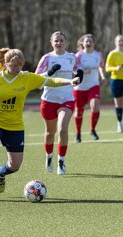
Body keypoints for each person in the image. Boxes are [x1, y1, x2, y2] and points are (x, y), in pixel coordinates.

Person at [0, 48, 81, 202]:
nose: (18, 68)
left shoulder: (26, 78)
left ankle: (1, 172)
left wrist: (70, 81)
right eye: (14, 65)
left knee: (15, 165)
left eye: (20, 65)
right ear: (6, 64)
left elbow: (51, 81)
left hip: (15, 126)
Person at [35, 31, 83, 175]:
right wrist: (50, 72)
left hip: (67, 99)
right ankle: (49, 156)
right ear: (52, 43)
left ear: (65, 42)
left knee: (62, 129)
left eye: (61, 40)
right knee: (50, 133)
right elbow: (36, 79)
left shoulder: (71, 57)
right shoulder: (47, 58)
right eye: (56, 41)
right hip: (49, 99)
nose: (59, 43)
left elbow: (78, 69)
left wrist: (79, 76)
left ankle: (61, 161)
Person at [73, 34, 106, 143]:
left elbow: (101, 67)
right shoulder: (78, 56)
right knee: (78, 112)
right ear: (82, 43)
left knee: (95, 105)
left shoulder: (98, 55)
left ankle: (92, 129)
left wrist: (103, 76)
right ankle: (78, 133)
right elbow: (74, 70)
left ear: (93, 43)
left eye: (90, 41)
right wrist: (81, 71)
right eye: (86, 41)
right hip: (80, 87)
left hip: (93, 85)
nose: (88, 43)